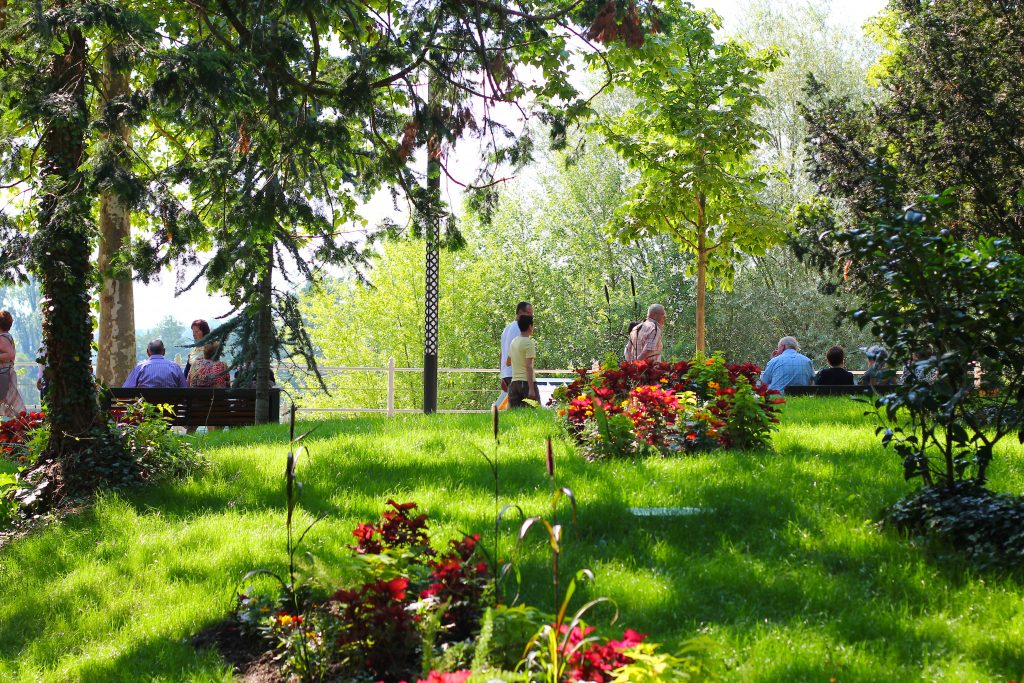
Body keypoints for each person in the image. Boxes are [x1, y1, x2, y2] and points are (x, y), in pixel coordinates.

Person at [123, 339, 188, 388]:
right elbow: (185, 388)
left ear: (148, 352)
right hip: (171, 402)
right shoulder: (175, 367)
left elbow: (127, 389)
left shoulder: (140, 368)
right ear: (164, 351)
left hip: (146, 402)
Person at [506, 315, 537, 408]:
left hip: (514, 384)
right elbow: (528, 366)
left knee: (514, 414)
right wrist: (531, 389)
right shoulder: (529, 343)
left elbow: (508, 362)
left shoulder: (514, 342)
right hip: (526, 383)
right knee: (533, 412)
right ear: (530, 326)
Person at [500, 302, 532, 392]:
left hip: (507, 375)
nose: (531, 316)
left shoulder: (507, 329)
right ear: (520, 313)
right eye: (529, 313)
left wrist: (502, 375)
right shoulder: (520, 328)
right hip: (516, 375)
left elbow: (502, 354)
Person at [0, 310, 26, 417]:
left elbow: (10, 354)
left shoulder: (2, 338)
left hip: (3, 373)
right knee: (11, 402)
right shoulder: (7, 336)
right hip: (6, 372)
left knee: (9, 402)